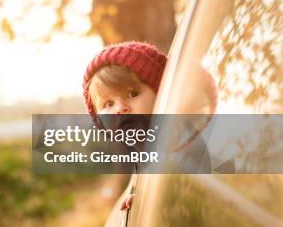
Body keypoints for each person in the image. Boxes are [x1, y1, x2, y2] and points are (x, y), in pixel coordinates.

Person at [82, 41, 217, 209]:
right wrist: (139, 197)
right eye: (108, 104)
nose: (120, 108)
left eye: (133, 93)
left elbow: (193, 195)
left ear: (160, 95)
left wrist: (155, 202)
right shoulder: (140, 150)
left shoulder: (180, 142)